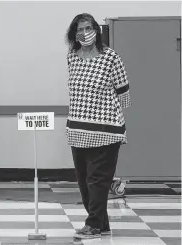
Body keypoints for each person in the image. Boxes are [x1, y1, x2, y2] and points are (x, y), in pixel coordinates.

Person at [65, 13, 131, 239]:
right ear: (74, 34)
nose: (85, 33)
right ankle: (101, 224)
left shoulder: (111, 57)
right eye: (80, 29)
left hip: (106, 131)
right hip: (77, 131)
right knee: (84, 183)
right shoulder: (72, 57)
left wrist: (108, 112)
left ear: (97, 30)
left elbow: (124, 95)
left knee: (97, 181)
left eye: (89, 28)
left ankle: (92, 225)